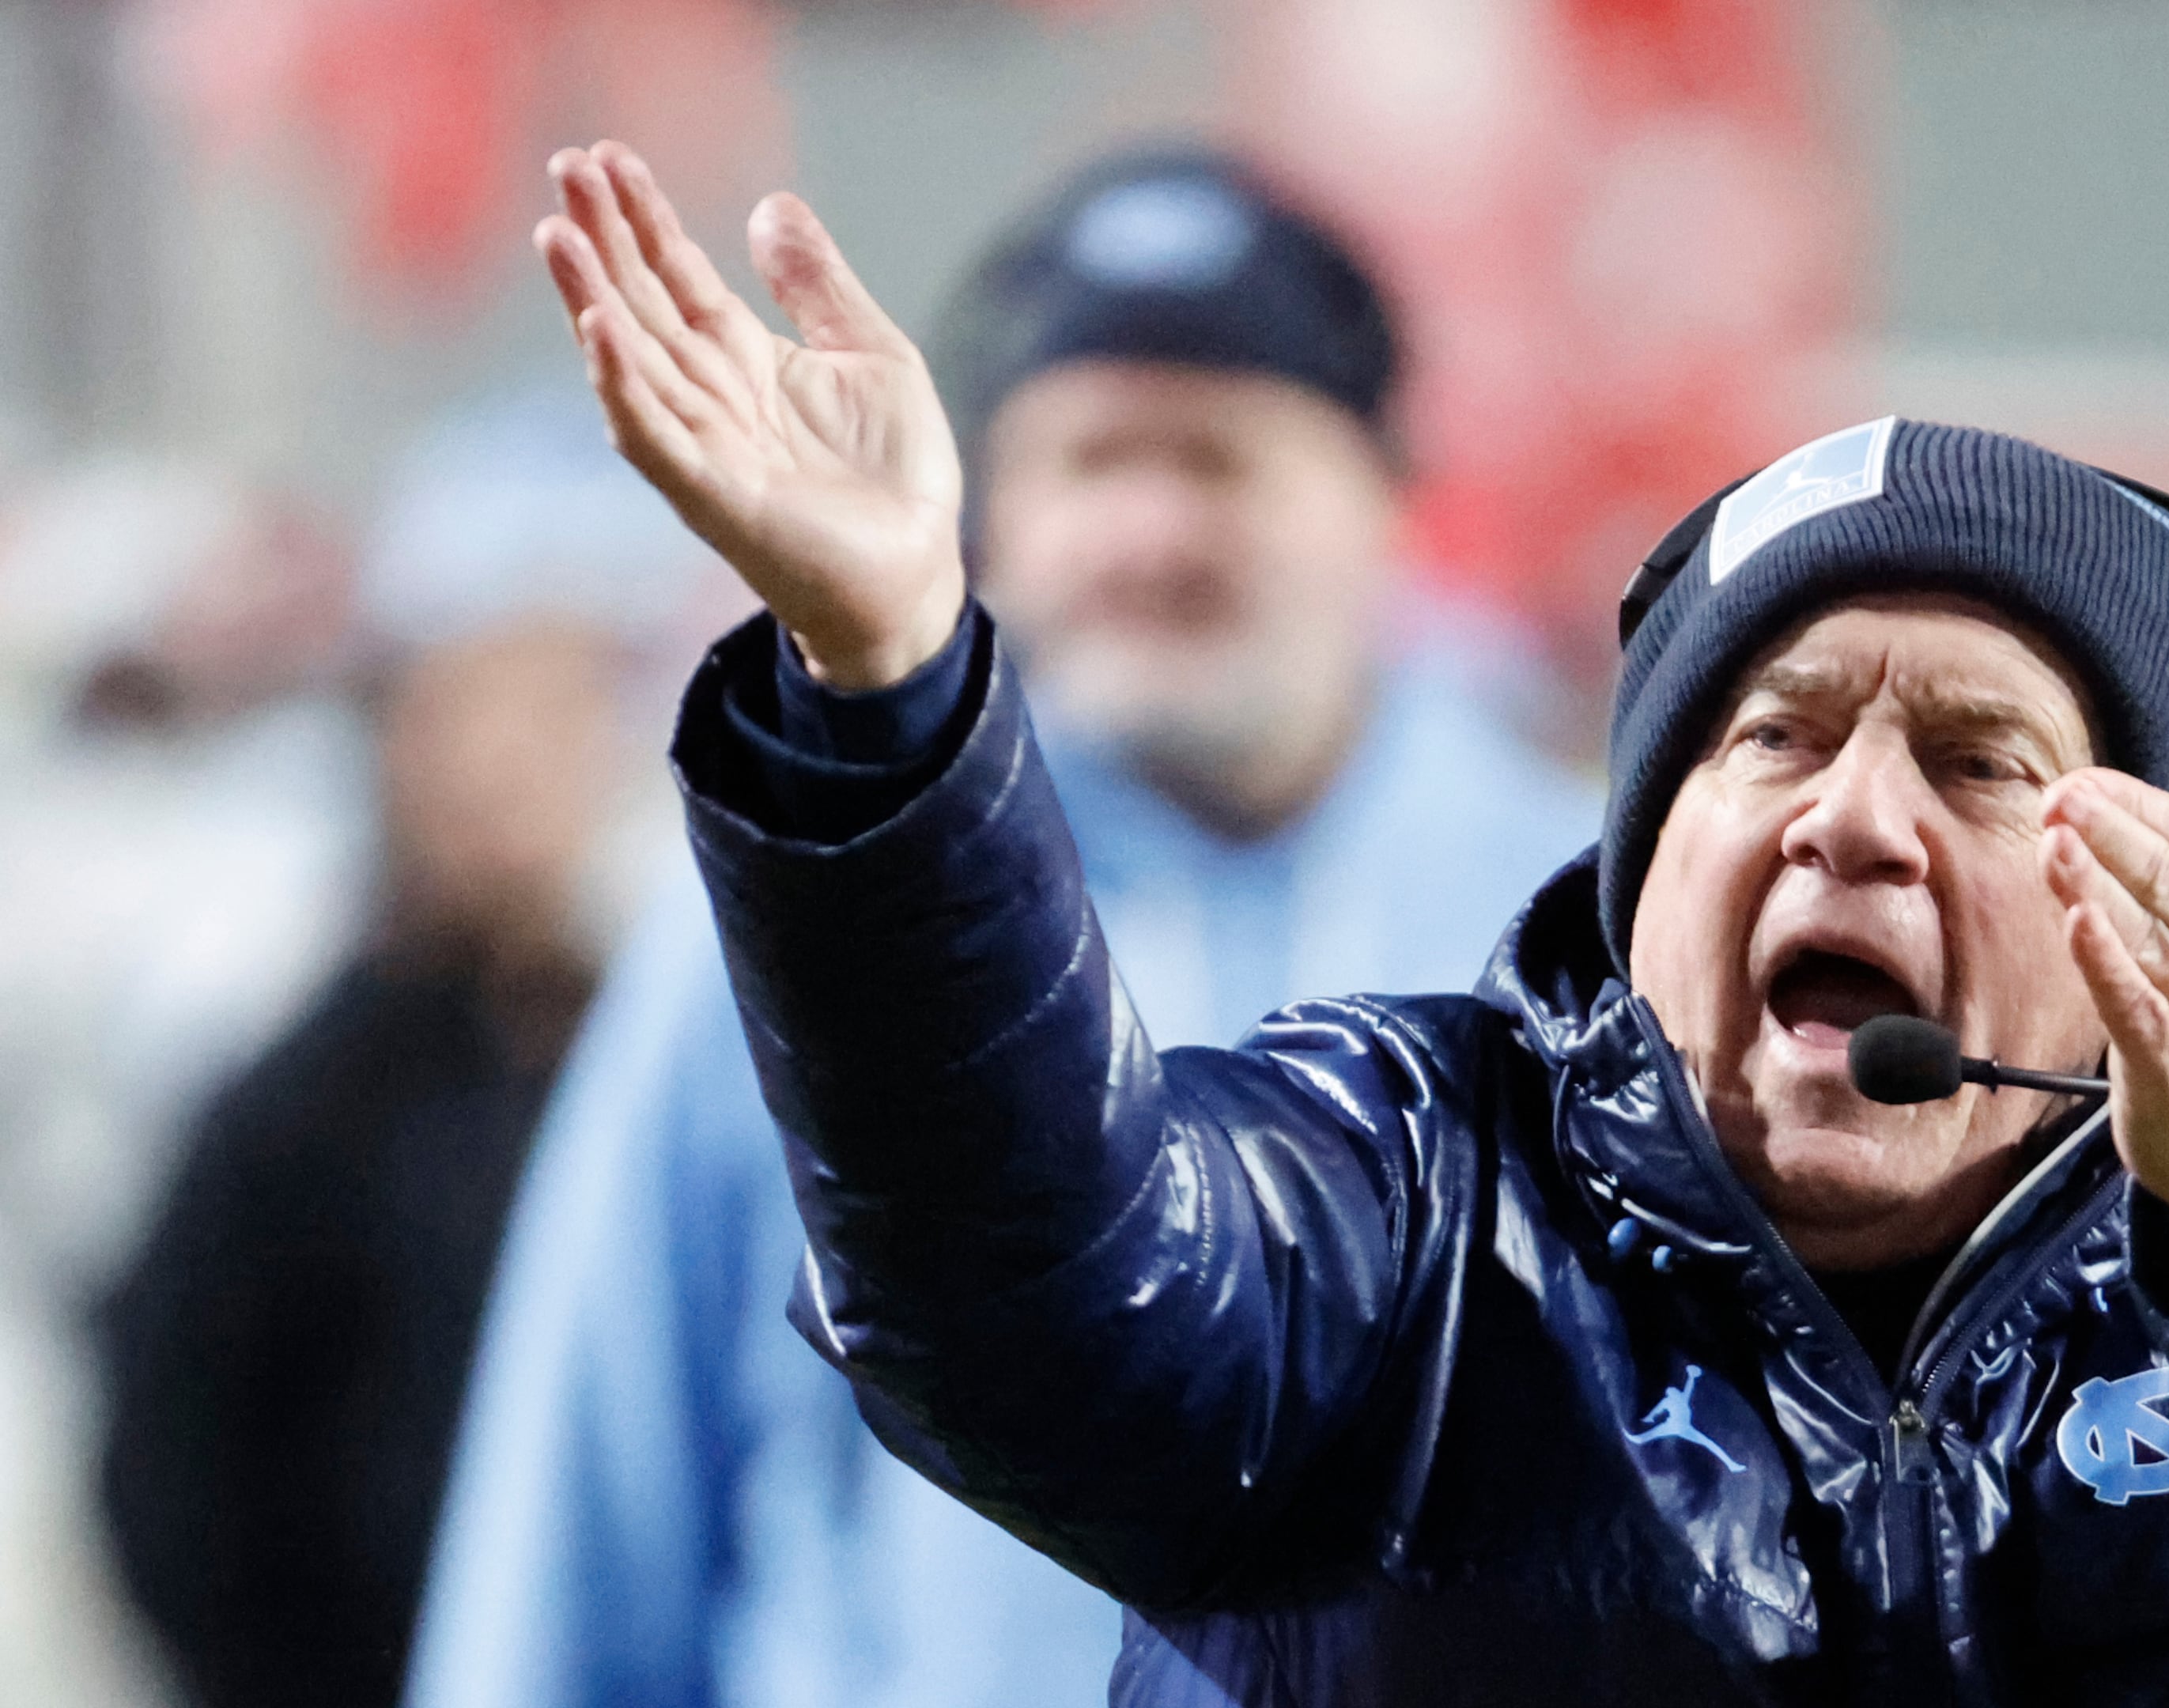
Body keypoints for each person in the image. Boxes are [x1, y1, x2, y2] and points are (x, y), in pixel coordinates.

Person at [536, 138, 2169, 1702]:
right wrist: (893, 686)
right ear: (1640, 855)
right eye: (1772, 738)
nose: (1855, 817)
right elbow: (1039, 1300)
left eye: (1976, 760)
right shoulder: (1406, 1188)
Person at [404, 148, 1597, 1708]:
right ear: (987, 511)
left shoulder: (1587, 926)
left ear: (1386, 496)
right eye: (1093, 461)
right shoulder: (804, 906)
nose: (1152, 531)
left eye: (1219, 459)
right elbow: (590, 1494)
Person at [96, 390, 709, 1708]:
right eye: (477, 708)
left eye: (556, 709)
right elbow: (174, 1470)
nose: (513, 766)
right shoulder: (305, 1078)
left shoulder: (666, 1038)